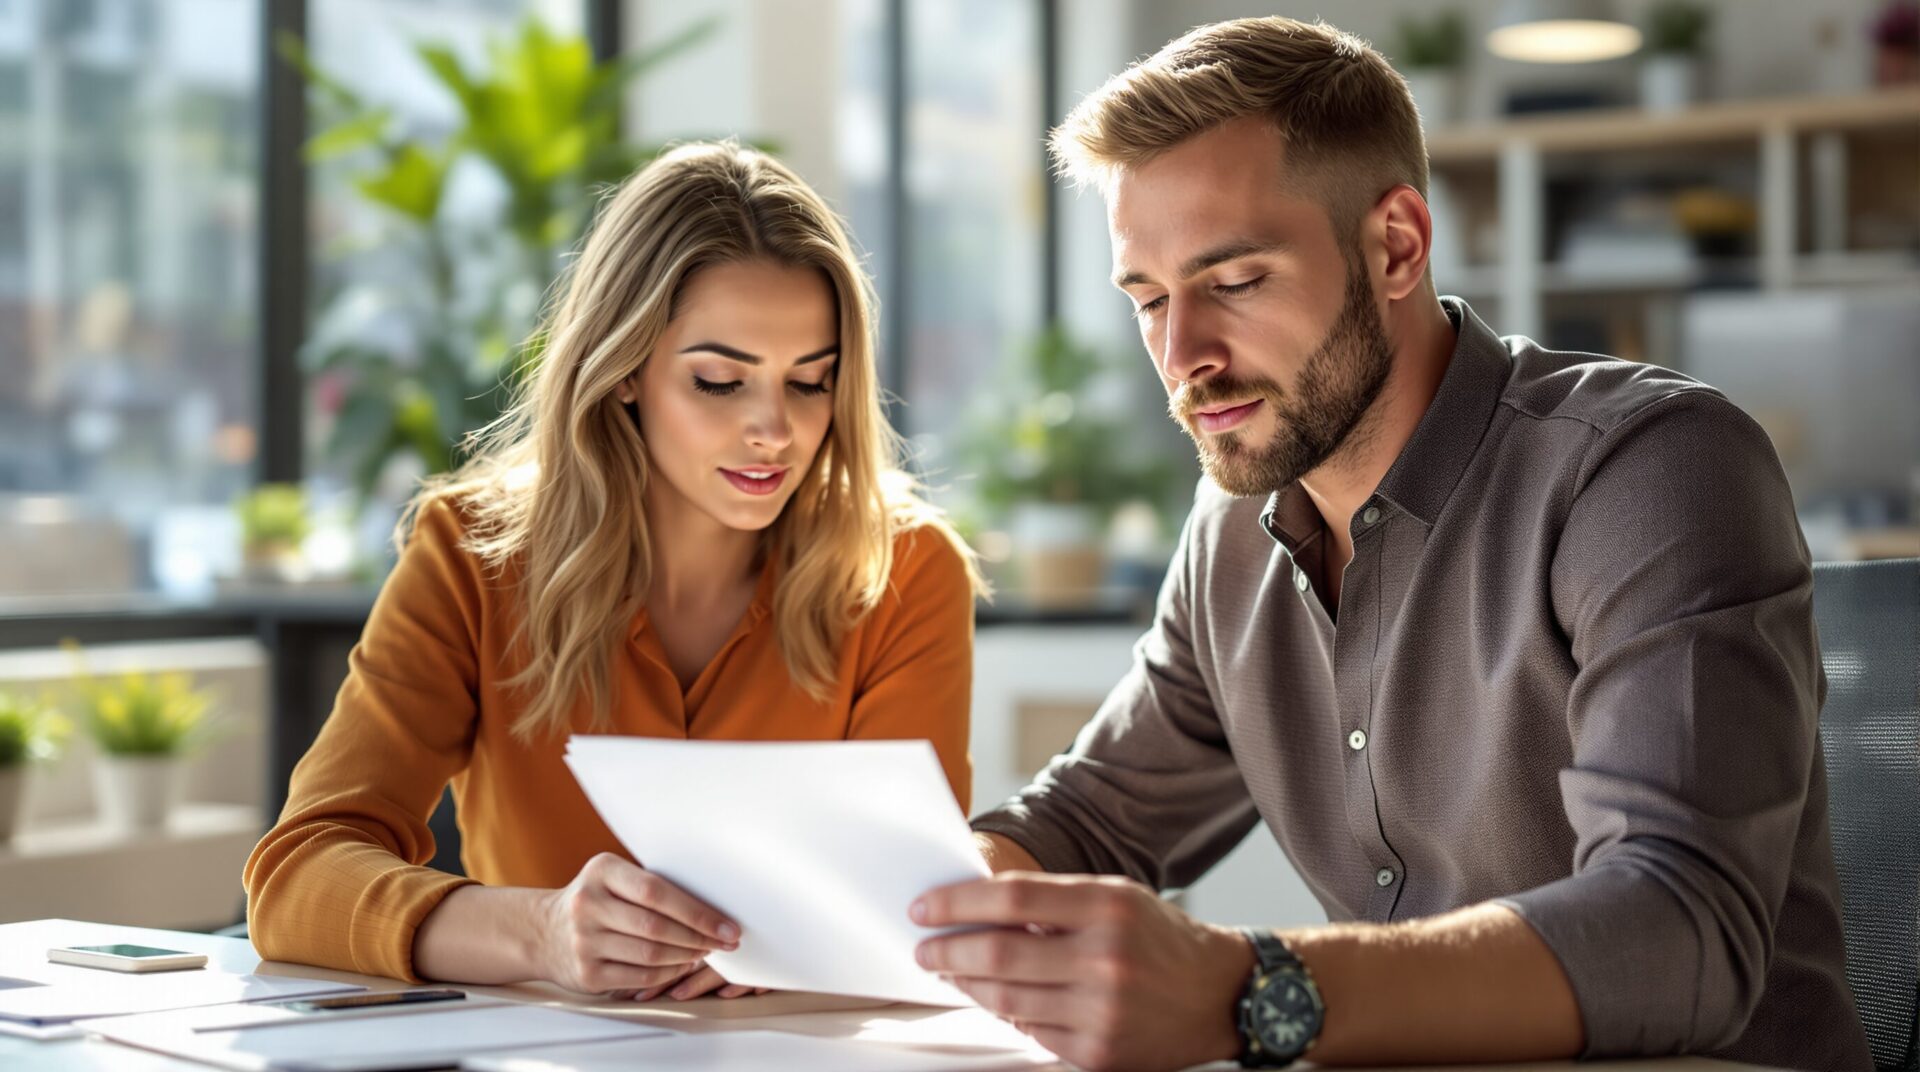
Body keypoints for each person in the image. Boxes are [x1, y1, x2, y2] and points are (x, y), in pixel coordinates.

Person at [911, 17, 1871, 1071]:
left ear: (1397, 246)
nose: (1182, 355)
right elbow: (1090, 822)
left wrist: (1248, 988)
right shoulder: (1233, 528)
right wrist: (888, 905)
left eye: (1234, 282)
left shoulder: (1646, 469)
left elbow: (1678, 928)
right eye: (1147, 299)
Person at [246, 142, 981, 1005]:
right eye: (720, 382)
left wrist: (799, 939)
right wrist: (542, 932)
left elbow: (910, 909)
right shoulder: (470, 556)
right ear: (625, 369)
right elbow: (297, 878)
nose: (775, 430)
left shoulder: (906, 571)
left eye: (811, 382)